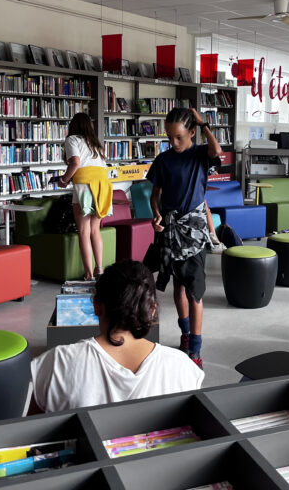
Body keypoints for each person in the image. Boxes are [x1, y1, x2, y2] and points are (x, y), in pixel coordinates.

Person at [30, 261, 204, 413]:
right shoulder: (183, 368)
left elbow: (32, 431)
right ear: (152, 310)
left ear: (96, 306)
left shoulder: (57, 363)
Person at [146, 107, 221, 369]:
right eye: (169, 137)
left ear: (191, 132)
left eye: (179, 137)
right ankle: (185, 334)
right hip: (169, 229)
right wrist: (156, 214)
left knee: (195, 292)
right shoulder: (163, 159)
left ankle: (196, 349)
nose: (174, 142)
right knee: (177, 286)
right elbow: (155, 194)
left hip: (195, 231)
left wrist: (203, 124)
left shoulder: (200, 155)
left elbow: (216, 150)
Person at [51, 112, 112, 281]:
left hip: (85, 187)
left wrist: (64, 180)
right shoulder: (96, 144)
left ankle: (88, 274)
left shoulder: (72, 140)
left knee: (84, 231)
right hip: (102, 187)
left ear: (73, 126)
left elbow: (76, 162)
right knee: (95, 230)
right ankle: (99, 269)